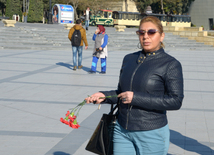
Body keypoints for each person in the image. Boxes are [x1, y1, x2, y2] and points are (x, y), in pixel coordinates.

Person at [85, 16, 184, 155]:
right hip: (122, 129)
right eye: (141, 32)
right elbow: (122, 93)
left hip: (151, 132)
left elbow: (175, 101)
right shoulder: (129, 59)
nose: (145, 36)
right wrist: (105, 96)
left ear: (161, 36)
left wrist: (136, 98)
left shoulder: (170, 64)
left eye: (151, 32)